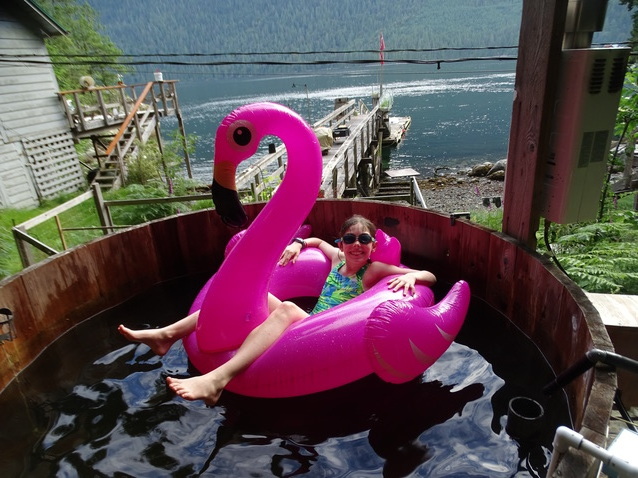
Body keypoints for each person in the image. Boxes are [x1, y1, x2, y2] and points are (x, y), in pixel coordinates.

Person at [118, 215, 436, 406]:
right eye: (350, 238)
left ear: (372, 246)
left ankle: (218, 379)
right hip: (308, 323)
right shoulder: (337, 259)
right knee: (243, 296)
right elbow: (315, 241)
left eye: (364, 239)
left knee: (286, 309)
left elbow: (430, 277)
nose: (356, 244)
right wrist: (298, 243)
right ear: (341, 243)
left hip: (326, 331)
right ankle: (167, 334)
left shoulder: (373, 270)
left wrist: (412, 276)